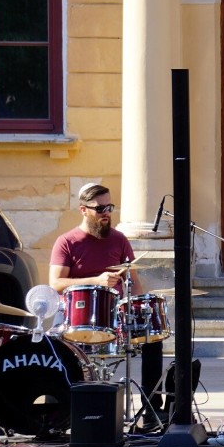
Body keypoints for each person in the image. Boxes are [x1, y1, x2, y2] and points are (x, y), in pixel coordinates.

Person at [49, 182, 164, 429]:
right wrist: (96, 280)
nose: (106, 213)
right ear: (83, 209)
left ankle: (152, 411)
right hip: (75, 318)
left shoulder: (119, 240)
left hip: (114, 319)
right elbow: (56, 283)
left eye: (109, 207)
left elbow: (134, 280)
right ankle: (59, 414)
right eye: (100, 208)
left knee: (153, 339)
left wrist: (140, 308)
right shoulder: (67, 241)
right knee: (51, 347)